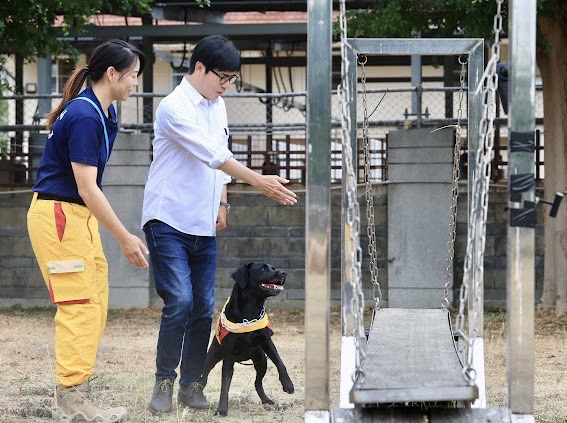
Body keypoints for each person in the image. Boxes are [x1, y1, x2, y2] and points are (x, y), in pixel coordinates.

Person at [142, 34, 297, 415]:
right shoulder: (173, 108)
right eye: (222, 77)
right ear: (199, 68)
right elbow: (213, 155)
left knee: (203, 306)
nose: (225, 85)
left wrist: (224, 201)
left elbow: (221, 153)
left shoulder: (218, 105)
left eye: (231, 79)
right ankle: (164, 383)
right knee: (179, 301)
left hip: (203, 223)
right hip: (167, 219)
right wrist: (259, 181)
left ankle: (192, 386)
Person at [27, 39, 148, 422]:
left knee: (94, 300)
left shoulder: (102, 112)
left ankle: (77, 393)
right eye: (132, 76)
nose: (135, 85)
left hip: (74, 217)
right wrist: (125, 237)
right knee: (79, 306)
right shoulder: (83, 115)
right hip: (61, 215)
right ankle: (72, 400)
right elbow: (86, 186)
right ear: (111, 74)